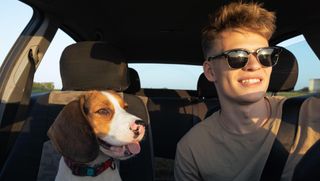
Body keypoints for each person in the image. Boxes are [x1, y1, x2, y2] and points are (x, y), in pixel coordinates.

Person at [174, 1, 320, 181]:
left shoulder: (311, 113)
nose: (254, 65)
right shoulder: (191, 149)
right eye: (237, 57)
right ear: (211, 72)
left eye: (265, 55)